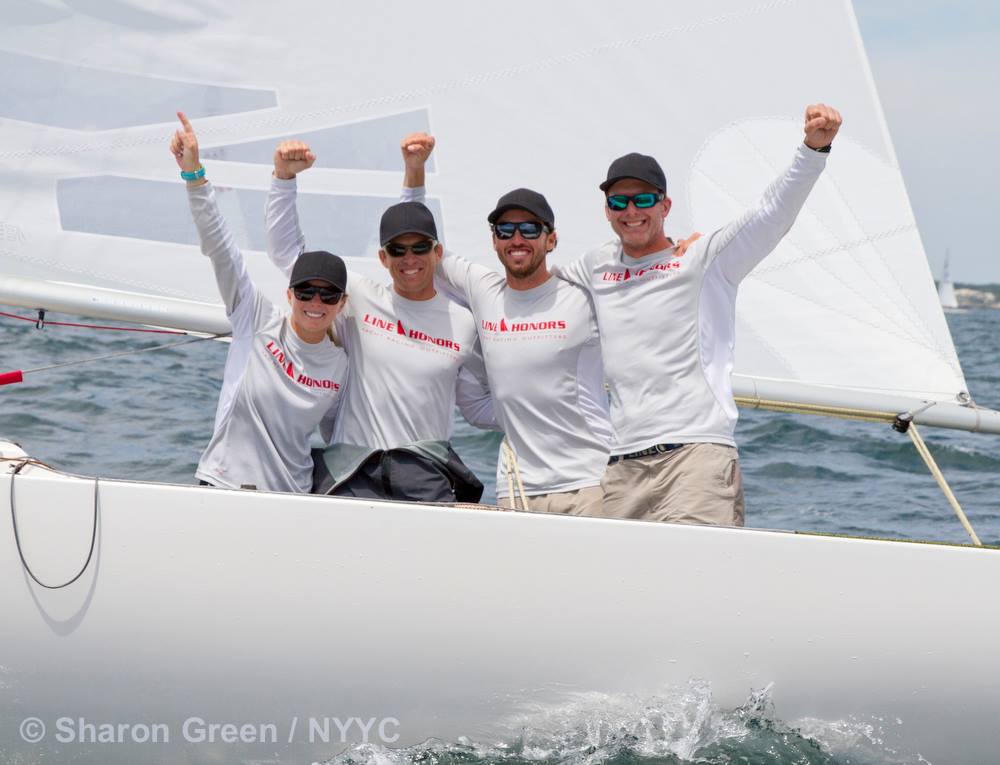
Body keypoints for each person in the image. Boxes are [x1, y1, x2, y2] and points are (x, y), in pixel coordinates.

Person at [557, 103, 843, 526]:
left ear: (665, 205)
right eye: (619, 201)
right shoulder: (595, 266)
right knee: (623, 571)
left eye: (643, 200)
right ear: (607, 210)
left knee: (698, 568)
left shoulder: (703, 259)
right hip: (622, 466)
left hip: (695, 458)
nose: (631, 211)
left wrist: (813, 150)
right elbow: (528, 285)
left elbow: (771, 214)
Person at [265, 141, 493, 503]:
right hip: (353, 470)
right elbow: (288, 254)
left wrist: (539, 407)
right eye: (397, 250)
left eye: (419, 248)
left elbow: (477, 406)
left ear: (437, 253)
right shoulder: (357, 298)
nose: (409, 258)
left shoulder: (464, 323)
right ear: (383, 258)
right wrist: (283, 178)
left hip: (425, 471)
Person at [400, 133, 613, 515]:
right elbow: (419, 241)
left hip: (588, 483)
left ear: (551, 240)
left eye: (530, 229)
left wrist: (675, 248)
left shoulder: (581, 295)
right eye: (505, 230)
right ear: (494, 241)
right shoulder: (484, 290)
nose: (517, 239)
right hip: (516, 488)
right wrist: (415, 171)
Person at [170, 112, 349, 493]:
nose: (316, 302)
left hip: (294, 497)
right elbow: (220, 247)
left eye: (328, 294)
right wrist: (194, 175)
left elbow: (342, 437)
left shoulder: (340, 364)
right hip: (225, 484)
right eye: (306, 292)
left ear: (342, 303)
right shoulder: (256, 318)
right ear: (290, 294)